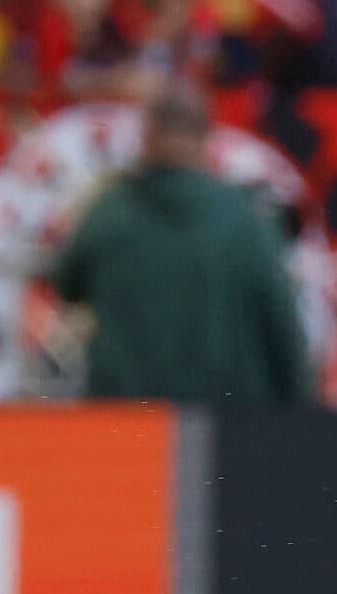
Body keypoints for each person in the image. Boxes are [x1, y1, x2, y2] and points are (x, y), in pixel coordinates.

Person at [48, 82, 310, 404]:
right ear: (206, 139)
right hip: (228, 431)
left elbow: (66, 285)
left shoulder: (109, 211)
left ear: (147, 137)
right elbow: (283, 332)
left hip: (129, 426)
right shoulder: (248, 221)